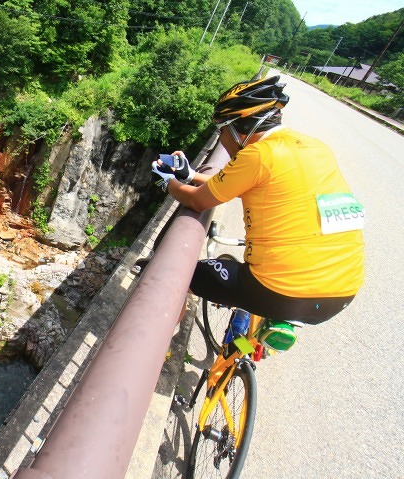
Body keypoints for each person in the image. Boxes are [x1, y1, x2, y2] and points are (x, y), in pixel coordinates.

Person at [151, 75, 364, 325]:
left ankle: (160, 345)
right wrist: (190, 175)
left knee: (176, 274)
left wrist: (167, 181)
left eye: (222, 131)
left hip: (280, 292)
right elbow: (244, 185)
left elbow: (198, 202)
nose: (222, 139)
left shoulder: (258, 154)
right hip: (345, 291)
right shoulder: (316, 147)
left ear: (238, 127)